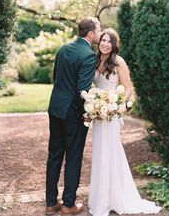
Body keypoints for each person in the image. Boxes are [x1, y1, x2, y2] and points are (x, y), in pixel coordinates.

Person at [88, 28, 162, 216]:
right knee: (99, 153)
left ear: (114, 44)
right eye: (103, 40)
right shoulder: (95, 60)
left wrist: (117, 106)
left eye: (108, 41)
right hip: (98, 115)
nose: (105, 44)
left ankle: (116, 197)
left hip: (111, 115)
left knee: (111, 152)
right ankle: (101, 199)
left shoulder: (118, 61)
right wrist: (94, 103)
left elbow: (128, 89)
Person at [45, 17, 101, 216]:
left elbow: (56, 78)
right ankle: (68, 204)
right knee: (74, 156)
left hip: (55, 108)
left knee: (54, 155)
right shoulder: (89, 55)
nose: (101, 33)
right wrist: (85, 115)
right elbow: (82, 90)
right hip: (73, 113)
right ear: (91, 34)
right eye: (99, 30)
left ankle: (51, 203)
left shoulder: (63, 49)